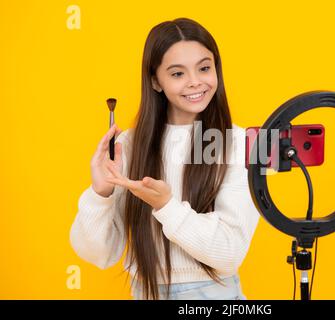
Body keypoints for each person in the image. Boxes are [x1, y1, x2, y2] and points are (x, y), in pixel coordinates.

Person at [70, 17, 260, 300]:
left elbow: (229, 252)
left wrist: (166, 206)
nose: (195, 82)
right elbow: (99, 255)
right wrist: (101, 194)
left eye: (204, 68)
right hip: (145, 293)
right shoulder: (130, 146)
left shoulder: (241, 143)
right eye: (177, 74)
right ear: (155, 81)